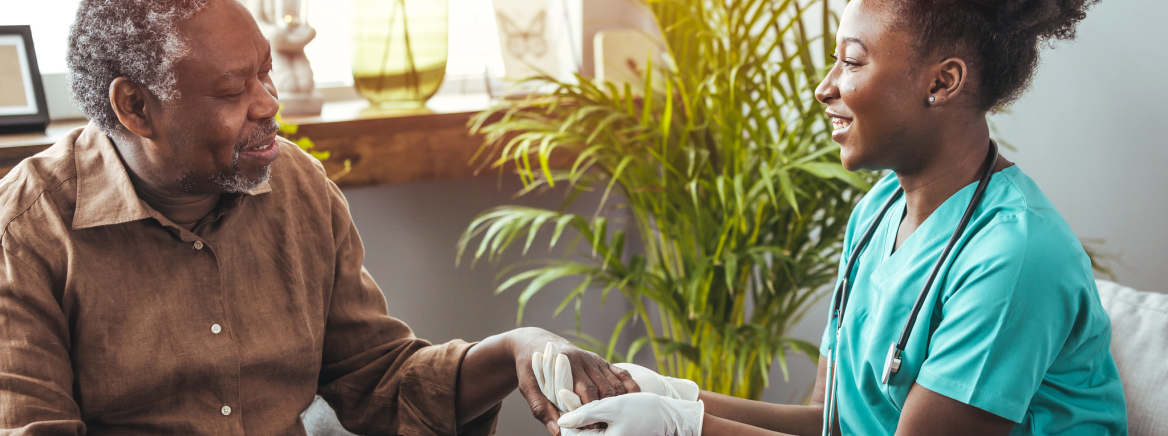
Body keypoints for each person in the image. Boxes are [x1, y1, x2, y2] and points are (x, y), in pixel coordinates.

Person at [0, 0, 638, 434]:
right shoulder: (28, 230)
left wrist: (516, 349)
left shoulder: (296, 184)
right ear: (135, 107)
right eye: (232, 90)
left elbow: (379, 380)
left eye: (266, 76)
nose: (268, 105)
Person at [541, 0, 1130, 435]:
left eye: (851, 61)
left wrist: (685, 428)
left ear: (943, 81)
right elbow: (830, 421)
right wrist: (671, 394)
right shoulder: (876, 213)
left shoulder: (1014, 257)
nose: (825, 88)